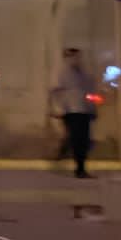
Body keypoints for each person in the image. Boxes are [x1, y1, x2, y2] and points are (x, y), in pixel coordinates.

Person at [50, 48, 98, 178]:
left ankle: (70, 157)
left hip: (84, 111)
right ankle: (79, 169)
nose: (76, 60)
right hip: (71, 111)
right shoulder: (61, 73)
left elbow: (90, 93)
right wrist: (58, 109)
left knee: (84, 140)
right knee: (77, 140)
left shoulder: (84, 74)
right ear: (66, 57)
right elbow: (55, 93)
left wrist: (92, 109)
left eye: (77, 57)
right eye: (72, 57)